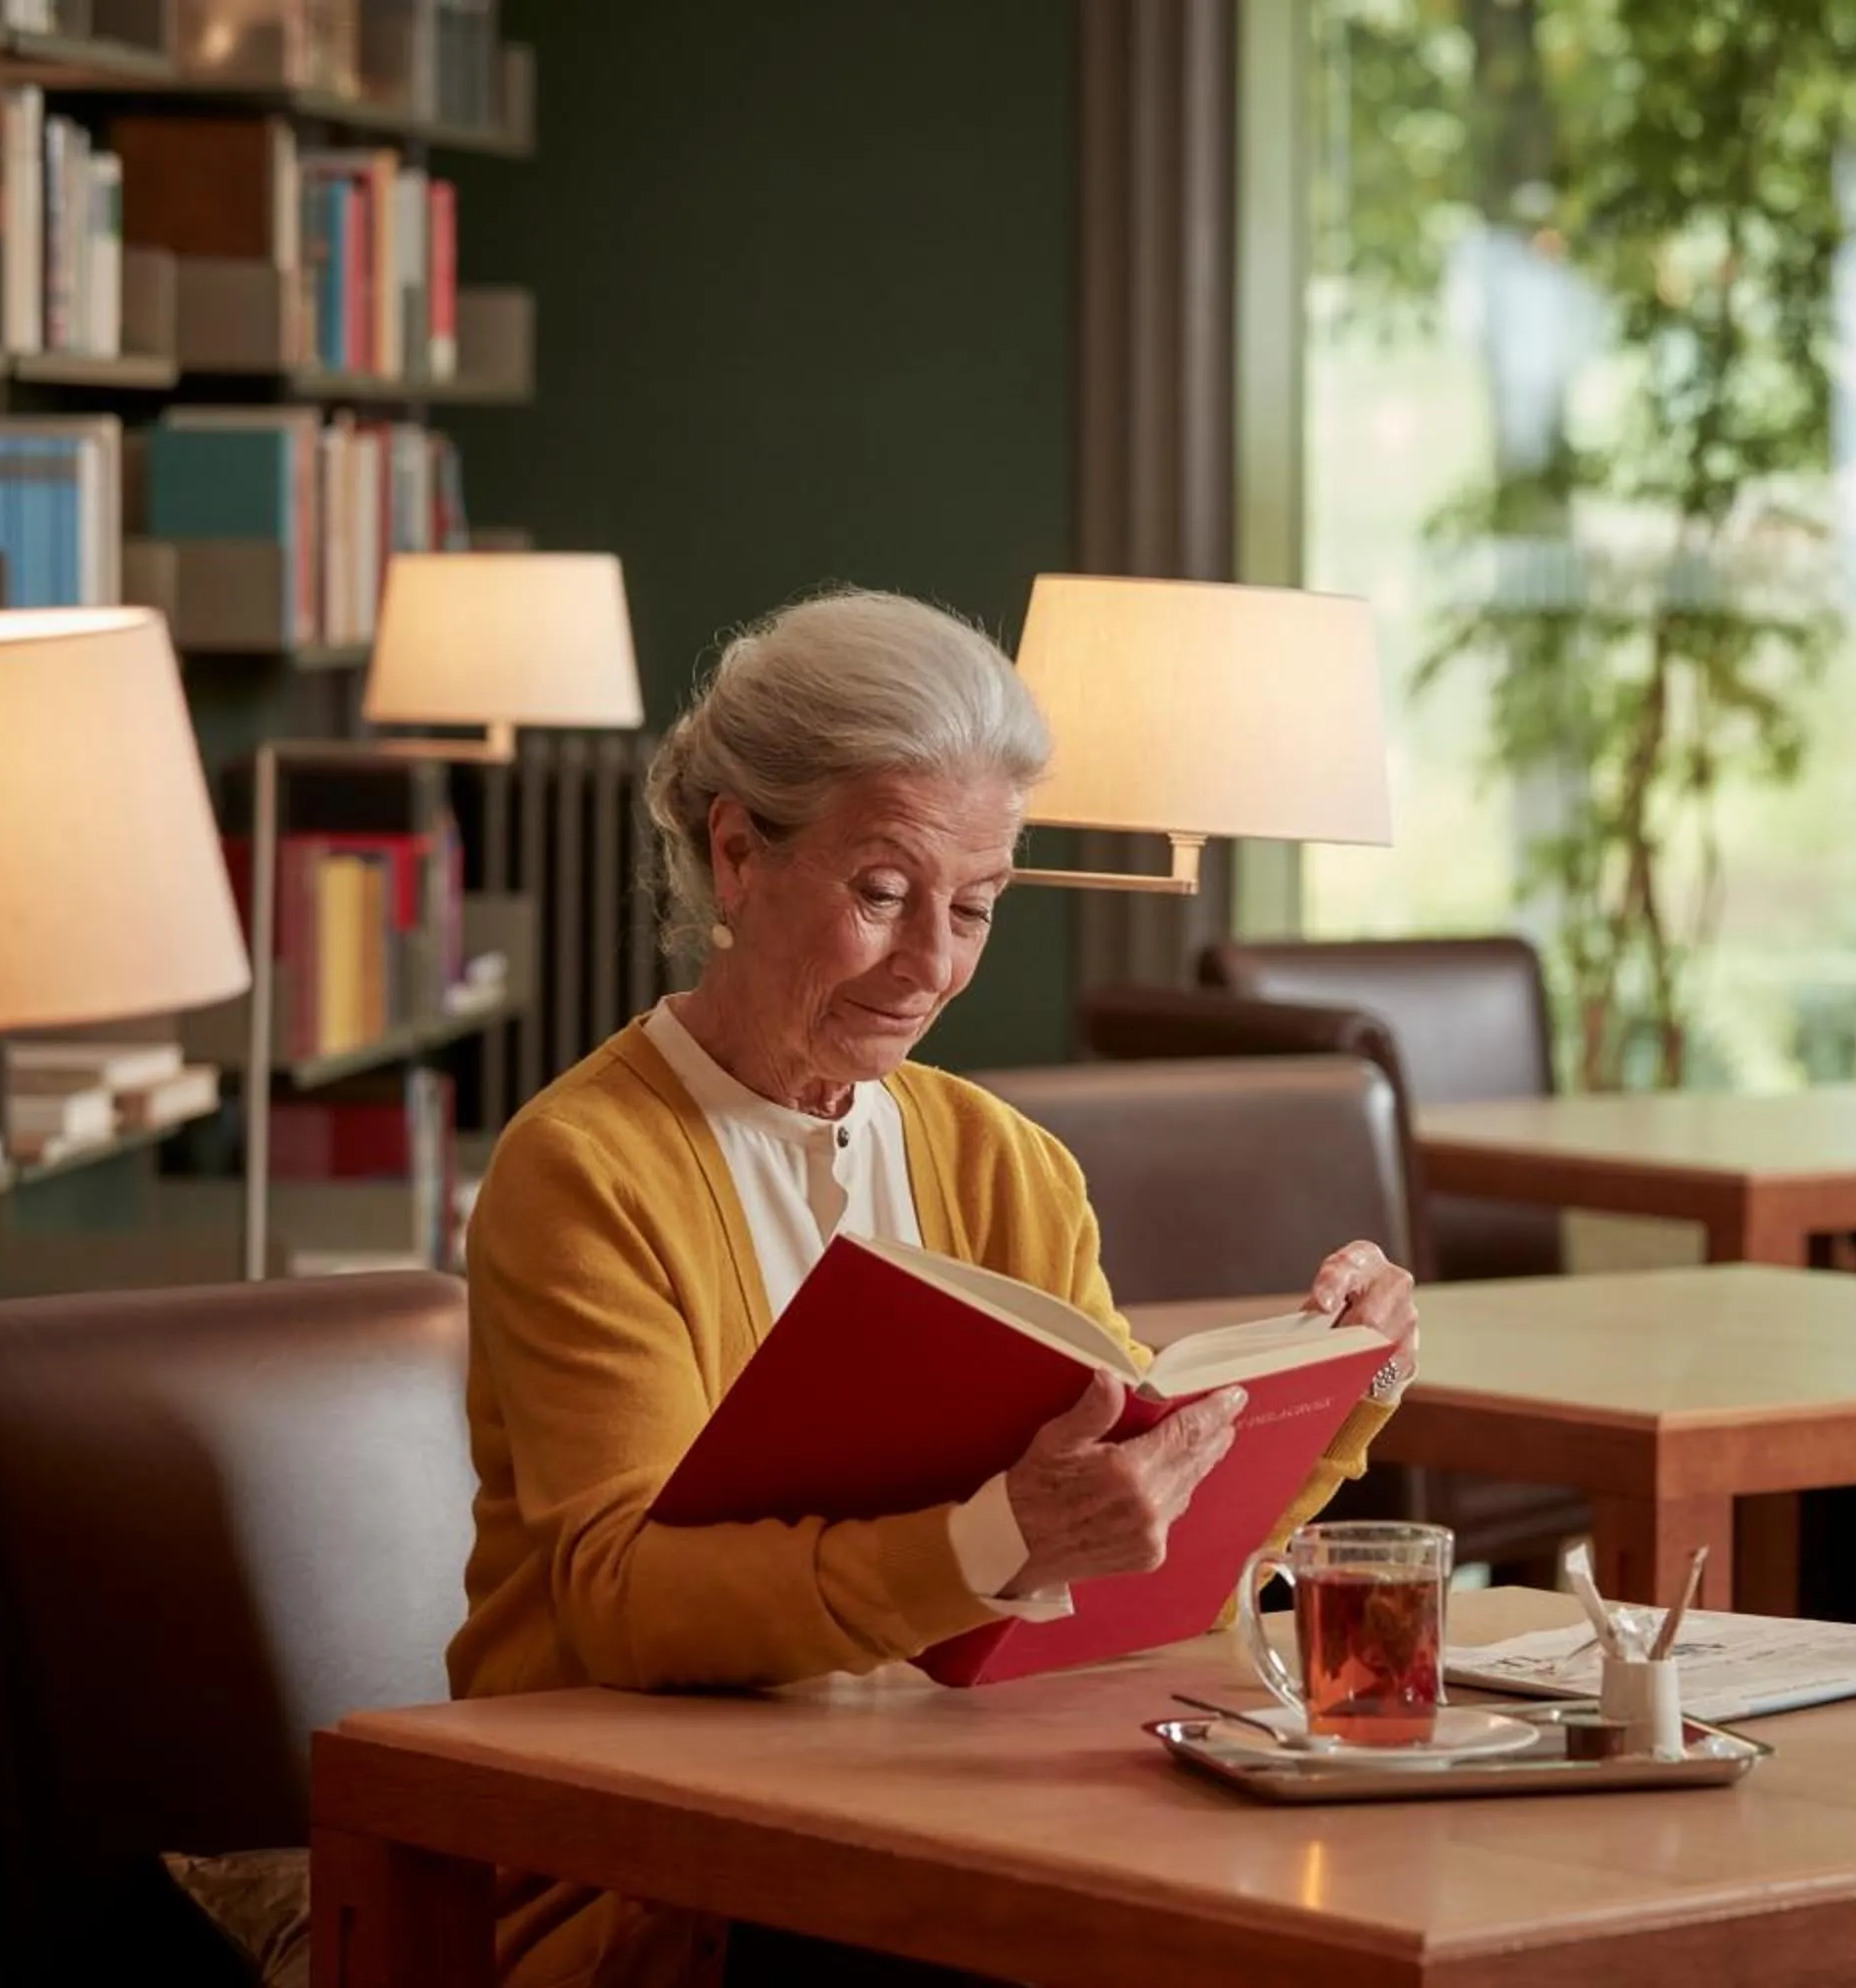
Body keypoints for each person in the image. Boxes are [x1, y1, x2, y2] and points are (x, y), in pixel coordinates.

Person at [450, 588, 1421, 1986]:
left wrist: (1339, 1381)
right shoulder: (584, 1168)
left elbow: (1139, 1578)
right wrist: (994, 1543)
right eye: (883, 895)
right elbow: (619, 1600)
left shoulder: (1004, 1163)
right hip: (654, 1862)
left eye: (973, 909)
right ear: (736, 853)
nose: (932, 968)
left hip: (953, 1817)